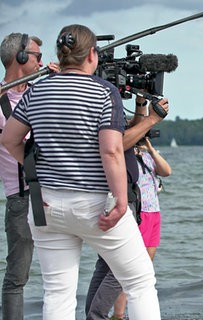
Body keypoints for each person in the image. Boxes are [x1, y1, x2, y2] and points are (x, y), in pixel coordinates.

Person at [0, 24, 165, 319]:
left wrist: (36, 172)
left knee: (58, 292)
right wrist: (121, 200)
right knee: (139, 281)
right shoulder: (104, 91)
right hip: (93, 203)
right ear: (92, 54)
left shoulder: (37, 92)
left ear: (60, 57)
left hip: (45, 205)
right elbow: (112, 150)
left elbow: (10, 140)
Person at [0, 32, 59, 320]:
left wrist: (59, 82)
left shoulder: (41, 91)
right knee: (16, 278)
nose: (41, 61)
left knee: (59, 274)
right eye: (36, 55)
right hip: (21, 198)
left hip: (56, 194)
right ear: (20, 58)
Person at [106, 137, 171, 320]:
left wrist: (149, 148)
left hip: (154, 211)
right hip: (138, 212)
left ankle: (133, 309)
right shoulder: (126, 155)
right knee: (131, 268)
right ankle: (118, 314)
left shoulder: (148, 155)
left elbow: (166, 171)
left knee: (146, 265)